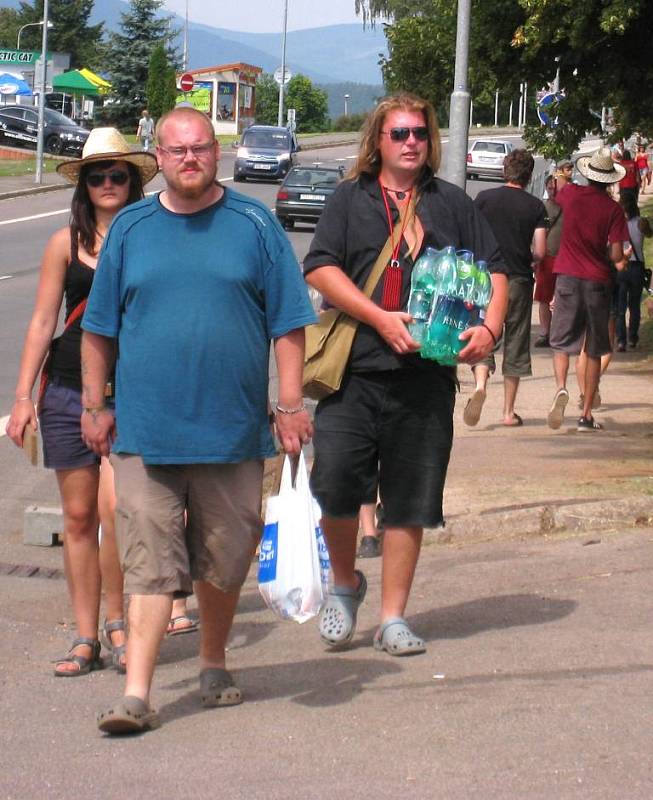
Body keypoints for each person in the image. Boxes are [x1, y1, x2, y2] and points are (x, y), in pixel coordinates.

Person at [80, 106, 316, 734]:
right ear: (157, 157)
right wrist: (94, 404)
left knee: (224, 557)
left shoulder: (254, 225)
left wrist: (290, 407)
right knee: (148, 562)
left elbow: (288, 323)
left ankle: (214, 660)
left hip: (232, 431)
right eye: (177, 149)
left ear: (219, 154)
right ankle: (137, 693)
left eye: (201, 148)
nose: (189, 158)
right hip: (145, 433)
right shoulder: (130, 228)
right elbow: (98, 330)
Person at [303, 92, 508, 657]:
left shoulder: (452, 203)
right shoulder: (350, 199)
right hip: (355, 370)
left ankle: (393, 616)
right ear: (378, 141)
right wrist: (379, 319)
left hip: (426, 378)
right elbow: (320, 268)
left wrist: (489, 331)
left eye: (419, 132)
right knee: (336, 485)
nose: (411, 141)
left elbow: (496, 270)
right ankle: (345, 581)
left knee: (410, 499)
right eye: (399, 134)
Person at [5, 128, 158, 676]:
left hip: (132, 396)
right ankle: (85, 636)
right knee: (76, 517)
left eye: (119, 175)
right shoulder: (63, 243)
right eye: (98, 176)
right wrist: (22, 397)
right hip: (67, 391)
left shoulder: (150, 238)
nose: (109, 184)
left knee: (117, 513)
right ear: (84, 185)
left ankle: (119, 623)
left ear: (134, 181)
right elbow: (43, 321)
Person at [546, 147, 629, 432]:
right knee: (593, 348)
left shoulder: (571, 195)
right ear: (610, 180)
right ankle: (586, 415)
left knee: (560, 341)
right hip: (597, 281)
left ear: (588, 173)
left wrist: (561, 173)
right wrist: (619, 258)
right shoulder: (614, 210)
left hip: (567, 275)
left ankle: (560, 387)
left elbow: (557, 189)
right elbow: (616, 254)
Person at [464, 149, 546, 427]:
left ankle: (480, 386)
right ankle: (509, 412)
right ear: (529, 175)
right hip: (519, 279)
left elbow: (470, 234)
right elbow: (542, 250)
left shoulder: (485, 199)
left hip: (487, 278)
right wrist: (531, 258)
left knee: (485, 331)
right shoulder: (535, 206)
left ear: (504, 172)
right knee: (517, 341)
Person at [616, 194, 652, 350]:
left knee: (620, 306)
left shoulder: (618, 225)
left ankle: (621, 340)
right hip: (637, 266)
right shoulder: (641, 223)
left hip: (622, 265)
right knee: (634, 305)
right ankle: (632, 337)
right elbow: (650, 233)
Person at [534, 174, 564, 348]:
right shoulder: (542, 208)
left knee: (563, 297)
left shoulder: (569, 207)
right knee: (544, 297)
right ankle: (545, 333)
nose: (553, 189)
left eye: (555, 186)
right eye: (550, 187)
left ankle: (559, 333)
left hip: (565, 259)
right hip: (546, 258)